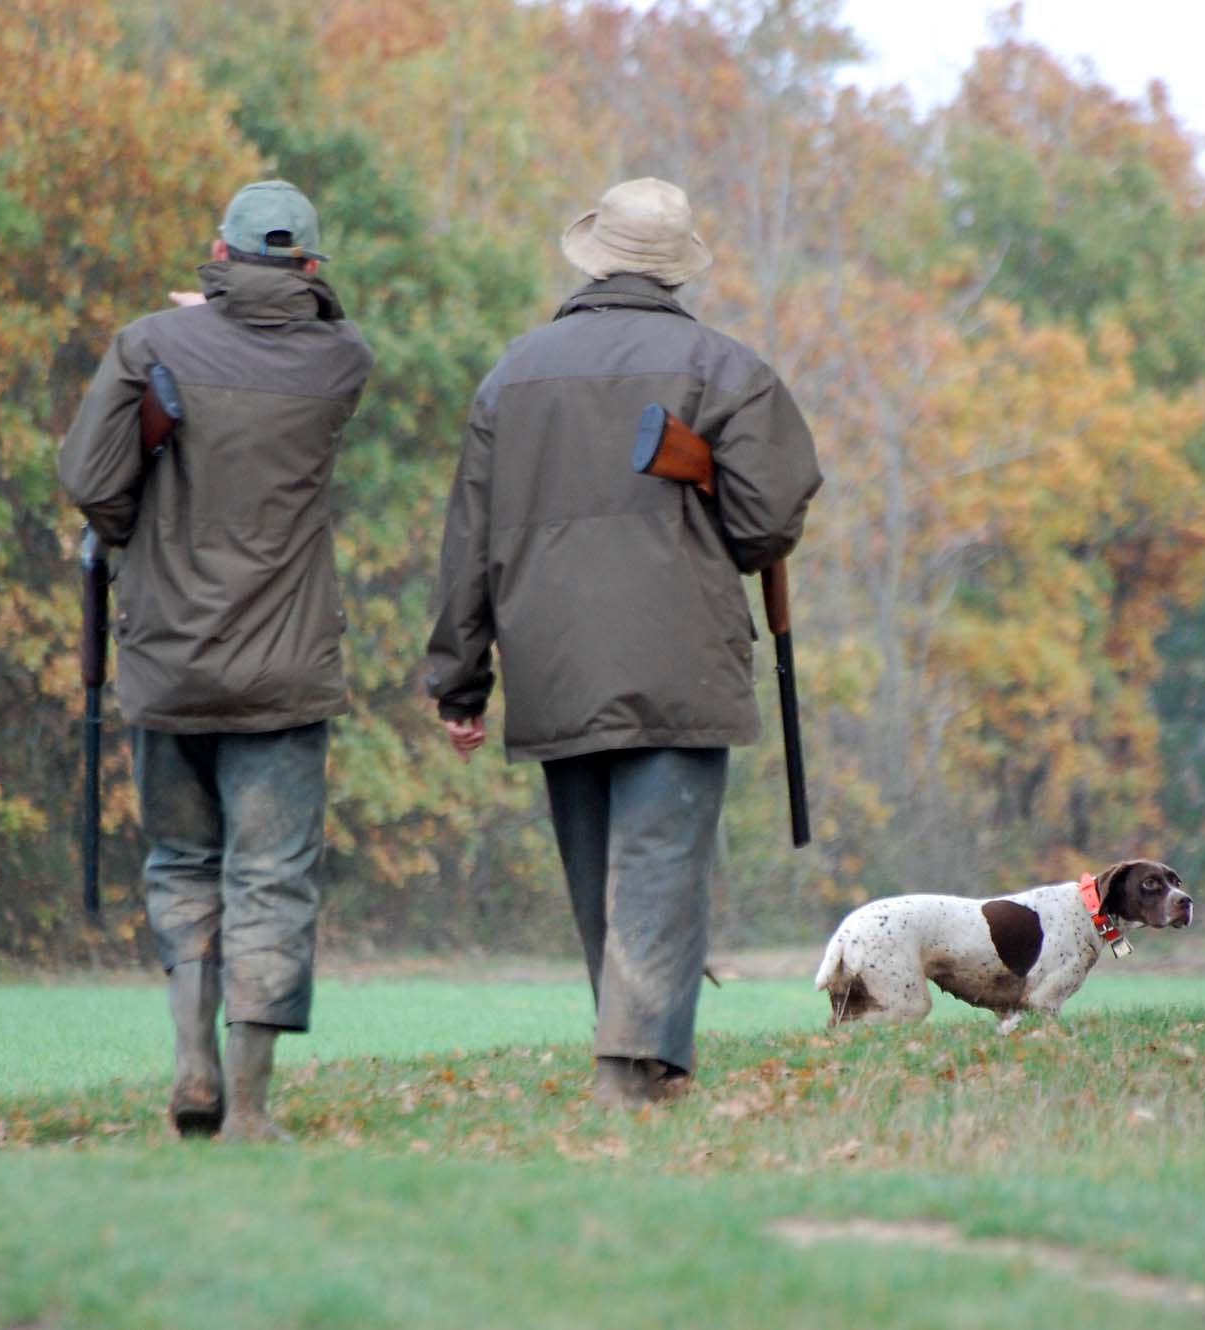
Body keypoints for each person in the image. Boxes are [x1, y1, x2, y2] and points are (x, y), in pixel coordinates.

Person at [424, 177, 822, 1108]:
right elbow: (765, 527)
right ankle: (631, 1067)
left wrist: (459, 681)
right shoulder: (728, 369)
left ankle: (640, 1057)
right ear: (677, 270)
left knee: (597, 867)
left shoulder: (511, 375)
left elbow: (467, 543)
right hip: (681, 661)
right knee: (660, 865)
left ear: (595, 260)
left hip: (551, 662)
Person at [58, 180, 374, 1142]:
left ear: (220, 252)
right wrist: (248, 307)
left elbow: (89, 480)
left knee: (183, 861)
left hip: (170, 661)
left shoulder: (150, 344)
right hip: (284, 671)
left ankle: (192, 1067)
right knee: (270, 877)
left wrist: (136, 525)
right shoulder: (343, 360)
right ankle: (251, 1111)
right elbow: (316, 331)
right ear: (310, 266)